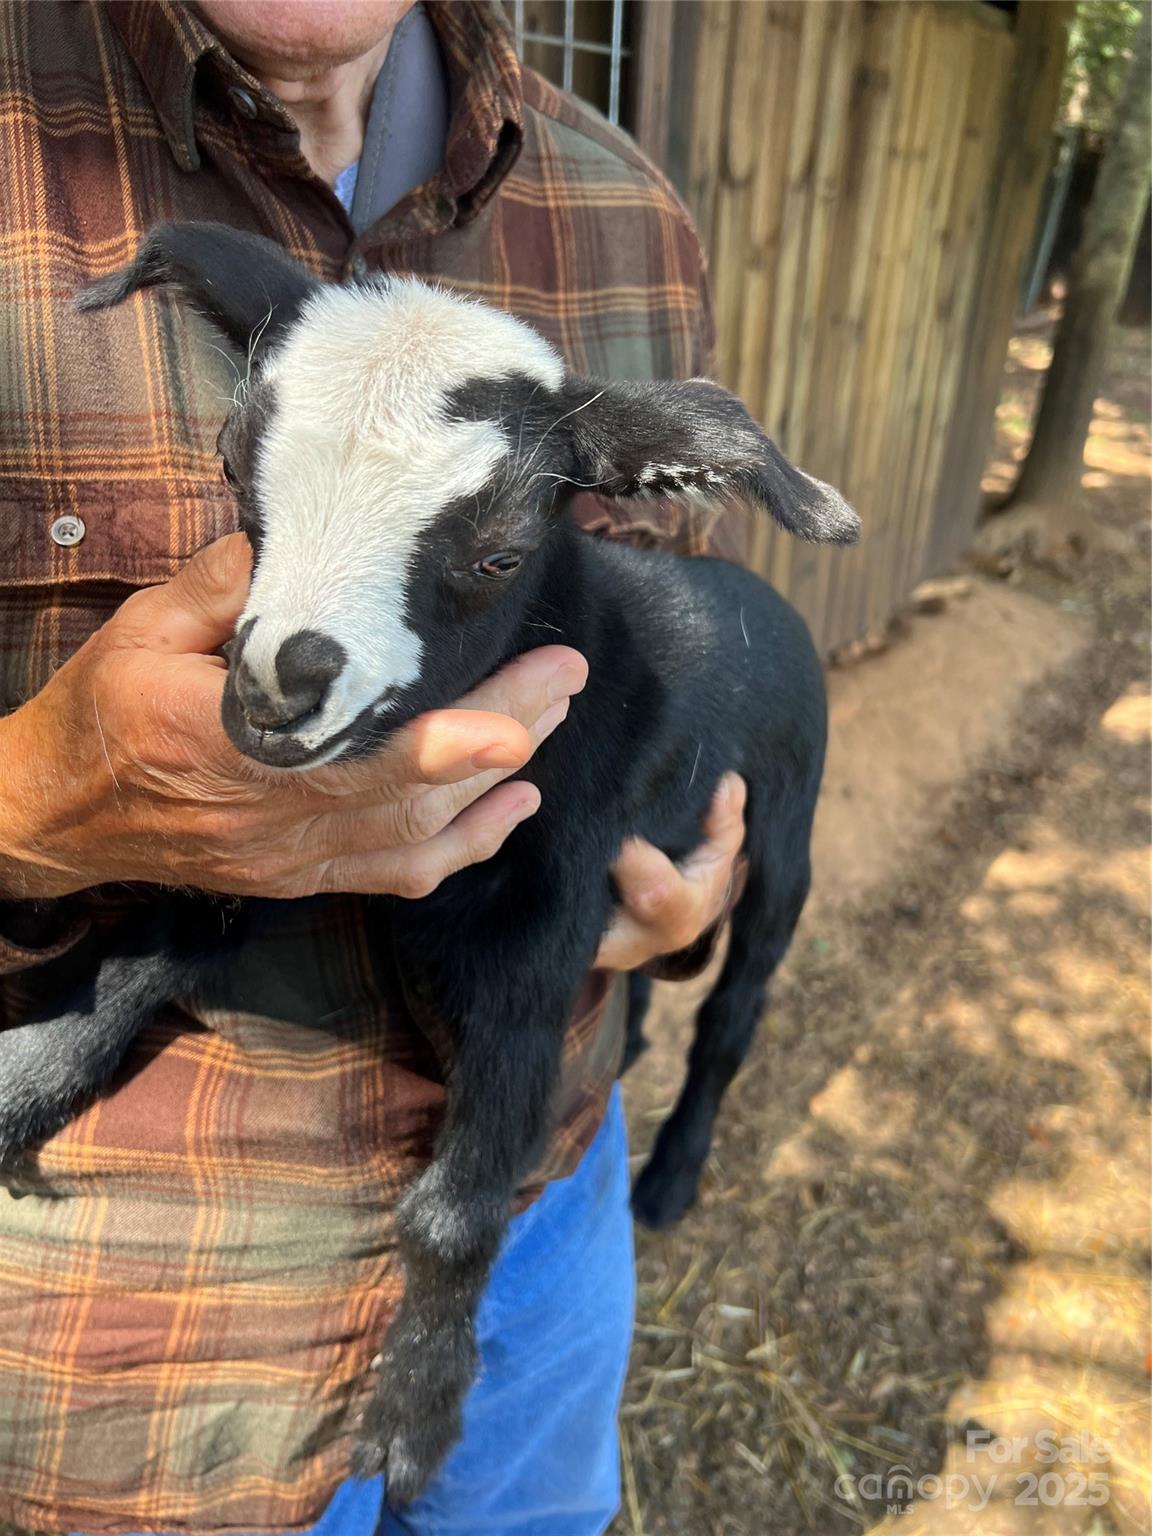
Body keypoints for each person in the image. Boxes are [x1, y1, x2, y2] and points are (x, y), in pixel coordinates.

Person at [0, 4, 746, 1533]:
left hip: (537, 1187)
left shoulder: (624, 215)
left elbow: (655, 663)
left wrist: (679, 896)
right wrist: (28, 803)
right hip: (117, 1318)